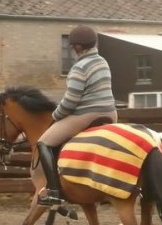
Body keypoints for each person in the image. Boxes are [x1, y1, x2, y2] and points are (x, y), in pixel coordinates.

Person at [36, 25, 118, 206]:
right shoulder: (103, 62)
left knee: (43, 143)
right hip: (111, 113)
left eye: (73, 46)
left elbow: (70, 101)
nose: (72, 49)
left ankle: (54, 191)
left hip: (87, 114)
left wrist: (56, 115)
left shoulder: (79, 67)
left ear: (78, 47)